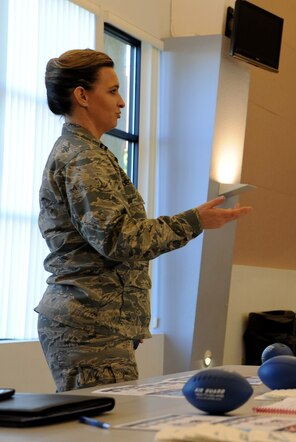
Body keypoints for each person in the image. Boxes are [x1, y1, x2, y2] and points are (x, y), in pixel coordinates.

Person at [36, 49, 252, 392]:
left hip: (100, 324)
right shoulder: (83, 158)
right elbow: (120, 240)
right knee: (109, 430)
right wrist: (194, 220)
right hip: (90, 325)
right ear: (81, 95)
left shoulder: (90, 153)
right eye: (112, 91)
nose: (122, 102)